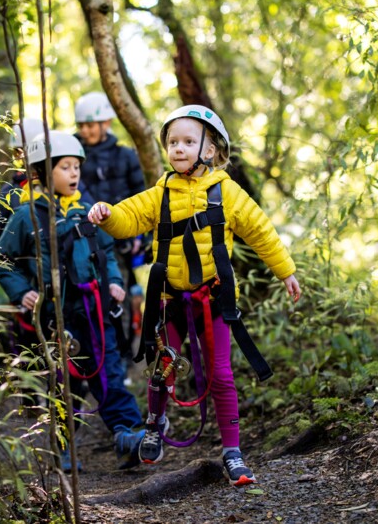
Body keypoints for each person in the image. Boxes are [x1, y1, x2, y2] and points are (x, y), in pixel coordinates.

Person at [87, 105, 302, 486]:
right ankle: (154, 425)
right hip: (169, 300)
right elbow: (129, 218)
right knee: (161, 369)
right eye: (173, 142)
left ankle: (233, 452)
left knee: (221, 374)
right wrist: (107, 215)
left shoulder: (228, 192)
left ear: (211, 150)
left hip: (213, 300)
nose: (178, 149)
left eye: (188, 141)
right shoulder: (161, 192)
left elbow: (261, 231)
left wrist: (285, 271)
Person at [0, 130, 146, 472]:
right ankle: (60, 449)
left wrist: (116, 282)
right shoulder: (26, 216)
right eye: (65, 167)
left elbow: (105, 251)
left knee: (108, 372)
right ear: (43, 172)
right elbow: (0, 259)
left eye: (76, 167)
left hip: (95, 309)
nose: (74, 173)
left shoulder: (86, 211)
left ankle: (130, 434)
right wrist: (21, 291)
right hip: (56, 315)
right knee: (64, 384)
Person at [74, 92, 149, 352]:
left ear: (105, 123)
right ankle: (91, 353)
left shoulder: (125, 157)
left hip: (120, 239)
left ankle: (123, 350)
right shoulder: (72, 154)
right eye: (81, 125)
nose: (85, 130)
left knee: (120, 292)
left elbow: (141, 196)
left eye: (90, 125)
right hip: (81, 237)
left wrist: (143, 237)